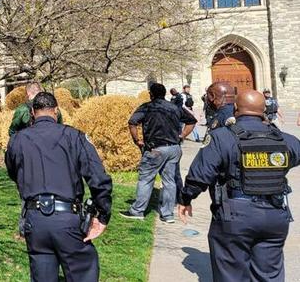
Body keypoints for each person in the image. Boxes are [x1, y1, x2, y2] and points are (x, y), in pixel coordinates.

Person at [178, 89, 300, 282]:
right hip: (275, 215)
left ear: (235, 108)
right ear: (264, 110)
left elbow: (201, 173)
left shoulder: (221, 137)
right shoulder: (284, 139)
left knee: (232, 274)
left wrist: (186, 198)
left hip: (235, 215)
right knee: (269, 275)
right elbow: (294, 156)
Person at [5, 92, 113, 282]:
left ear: (32, 112)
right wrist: (102, 215)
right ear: (56, 111)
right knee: (82, 272)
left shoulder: (17, 140)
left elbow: (14, 173)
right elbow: (98, 178)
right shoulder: (74, 137)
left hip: (35, 220)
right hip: (67, 219)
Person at [121, 83, 196, 223]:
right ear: (165, 93)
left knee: (146, 179)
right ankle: (167, 214)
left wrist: (137, 140)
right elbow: (192, 121)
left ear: (151, 94)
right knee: (169, 181)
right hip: (173, 148)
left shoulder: (147, 107)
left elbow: (132, 123)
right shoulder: (175, 107)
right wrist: (182, 135)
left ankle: (137, 210)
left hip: (155, 148)